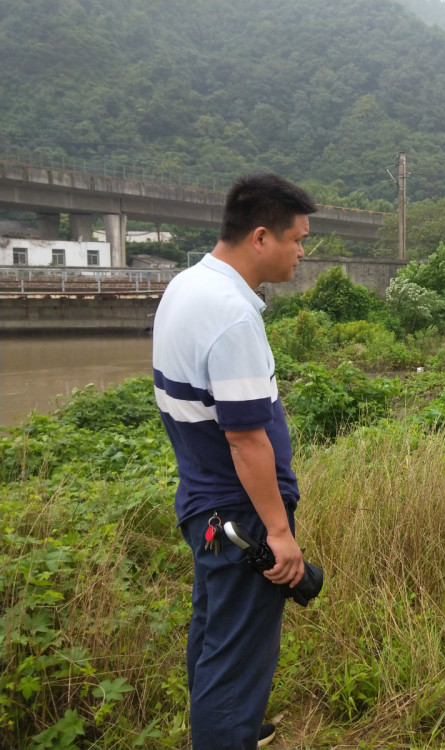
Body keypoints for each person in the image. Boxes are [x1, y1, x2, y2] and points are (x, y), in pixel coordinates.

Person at [153, 173, 317, 750]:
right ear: (261, 237)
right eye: (298, 239)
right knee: (237, 655)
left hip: (204, 503)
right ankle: (227, 729)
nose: (302, 252)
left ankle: (227, 725)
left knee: (214, 633)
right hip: (240, 515)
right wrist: (277, 532)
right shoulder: (231, 315)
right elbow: (246, 440)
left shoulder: (186, 286)